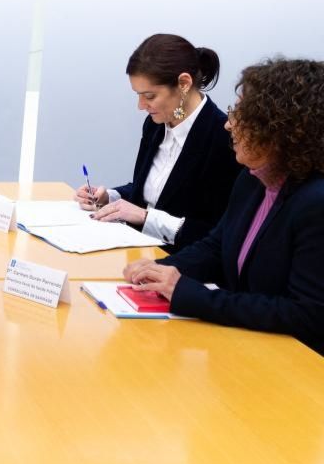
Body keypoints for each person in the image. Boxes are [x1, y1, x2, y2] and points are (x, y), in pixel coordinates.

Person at [124, 58, 324, 355]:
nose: (229, 123)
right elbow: (217, 246)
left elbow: (307, 316)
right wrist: (162, 269)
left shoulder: (315, 203)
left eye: (241, 114)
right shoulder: (252, 179)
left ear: (280, 129)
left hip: (293, 366)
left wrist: (193, 295)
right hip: (245, 349)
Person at [76, 34, 241, 252]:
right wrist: (109, 198)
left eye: (150, 96)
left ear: (183, 84)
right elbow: (154, 192)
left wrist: (145, 218)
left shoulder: (223, 138)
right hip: (135, 251)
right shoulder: (155, 124)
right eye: (138, 95)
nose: (141, 105)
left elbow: (219, 233)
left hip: (181, 266)